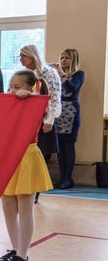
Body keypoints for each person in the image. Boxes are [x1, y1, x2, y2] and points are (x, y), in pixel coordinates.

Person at [0, 69, 56, 261]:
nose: (12, 91)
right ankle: (15, 249)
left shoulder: (36, 103)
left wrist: (30, 96)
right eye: (10, 87)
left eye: (17, 87)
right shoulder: (9, 103)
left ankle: (23, 255)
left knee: (25, 206)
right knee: (8, 205)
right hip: (8, 158)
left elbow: (44, 104)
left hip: (26, 157)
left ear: (31, 87)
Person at [19, 44, 62, 168]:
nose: (21, 59)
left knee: (41, 153)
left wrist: (49, 120)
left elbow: (53, 97)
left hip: (44, 118)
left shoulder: (48, 73)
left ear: (33, 56)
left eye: (24, 56)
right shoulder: (26, 74)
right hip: (30, 118)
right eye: (20, 56)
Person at [51, 48, 85, 190]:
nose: (63, 60)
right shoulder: (56, 75)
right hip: (58, 112)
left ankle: (68, 178)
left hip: (71, 112)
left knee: (69, 145)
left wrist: (62, 74)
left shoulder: (79, 74)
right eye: (62, 57)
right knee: (60, 147)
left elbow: (71, 88)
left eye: (67, 58)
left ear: (73, 60)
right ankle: (62, 177)